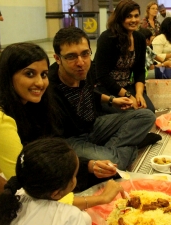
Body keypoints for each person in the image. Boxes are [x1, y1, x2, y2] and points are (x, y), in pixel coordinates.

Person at [0, 42, 124, 209]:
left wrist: (89, 165)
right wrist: (99, 199)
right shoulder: (0, 121)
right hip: (26, 192)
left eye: (43, 74)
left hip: (81, 144)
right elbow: (29, 187)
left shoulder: (34, 106)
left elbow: (52, 149)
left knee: (143, 117)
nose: (40, 83)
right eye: (29, 74)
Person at [49, 26, 158, 171]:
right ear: (57, 58)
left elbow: (89, 93)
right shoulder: (49, 87)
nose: (80, 62)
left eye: (85, 53)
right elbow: (52, 141)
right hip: (72, 139)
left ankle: (107, 150)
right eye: (71, 57)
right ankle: (128, 148)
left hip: (93, 125)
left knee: (146, 116)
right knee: (112, 162)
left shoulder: (86, 69)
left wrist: (112, 100)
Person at [0, 138, 125, 225]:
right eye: (74, 175)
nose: (76, 179)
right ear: (56, 193)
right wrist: (103, 198)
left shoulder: (14, 197)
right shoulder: (71, 217)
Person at [94, 0, 155, 114]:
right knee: (131, 113)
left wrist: (138, 94)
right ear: (120, 18)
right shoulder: (107, 38)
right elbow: (102, 75)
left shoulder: (139, 38)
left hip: (127, 86)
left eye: (136, 16)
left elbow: (139, 71)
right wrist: (127, 96)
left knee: (148, 110)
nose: (133, 20)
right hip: (106, 88)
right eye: (128, 16)